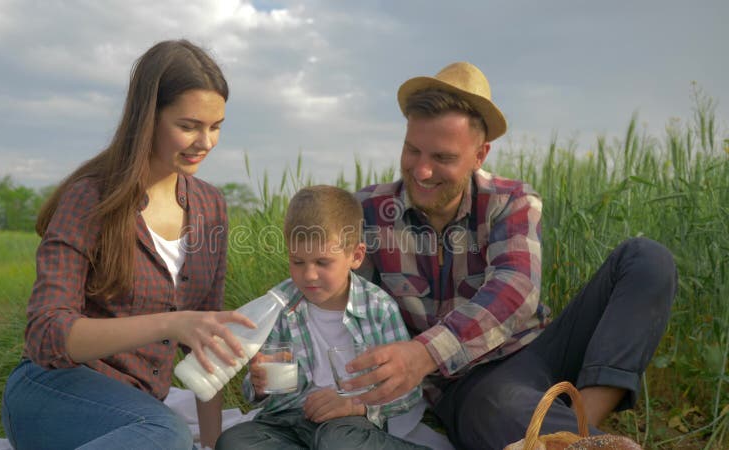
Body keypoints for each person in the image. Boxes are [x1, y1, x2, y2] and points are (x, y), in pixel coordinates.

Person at [345, 62, 678, 449]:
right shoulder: (366, 211)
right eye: (412, 150)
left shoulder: (510, 201)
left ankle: (576, 429)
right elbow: (332, 297)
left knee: (645, 258)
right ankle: (563, 437)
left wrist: (423, 352)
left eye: (442, 157)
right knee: (497, 405)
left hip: (538, 348)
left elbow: (515, 290)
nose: (421, 170)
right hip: (467, 382)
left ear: (479, 155)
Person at [0, 39, 256, 450]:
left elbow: (207, 353)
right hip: (51, 391)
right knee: (166, 434)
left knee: (173, 437)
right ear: (148, 118)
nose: (205, 142)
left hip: (137, 411)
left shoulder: (212, 206)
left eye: (216, 127)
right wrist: (171, 323)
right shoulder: (90, 198)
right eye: (188, 126)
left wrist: (211, 444)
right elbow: (46, 334)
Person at [216, 185, 429, 450]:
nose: (309, 275)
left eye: (322, 262)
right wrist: (259, 384)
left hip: (347, 424)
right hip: (286, 422)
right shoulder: (279, 306)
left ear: (356, 256)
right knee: (234, 441)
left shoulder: (378, 309)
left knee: (337, 442)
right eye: (297, 262)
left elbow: (408, 392)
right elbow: (260, 391)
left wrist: (356, 405)